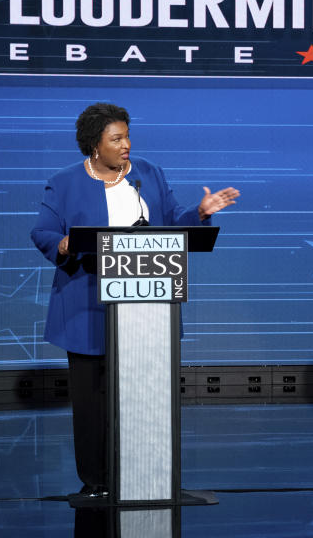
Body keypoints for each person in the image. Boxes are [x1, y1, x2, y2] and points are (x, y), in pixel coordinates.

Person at [31, 102, 240, 498]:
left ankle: (146, 473)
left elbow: (172, 223)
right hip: (87, 308)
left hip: (148, 310)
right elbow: (42, 231)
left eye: (127, 136)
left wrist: (199, 212)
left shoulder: (149, 174)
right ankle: (96, 480)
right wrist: (60, 243)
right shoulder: (64, 182)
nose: (126, 145)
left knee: (144, 395)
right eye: (116, 139)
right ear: (95, 145)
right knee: (93, 401)